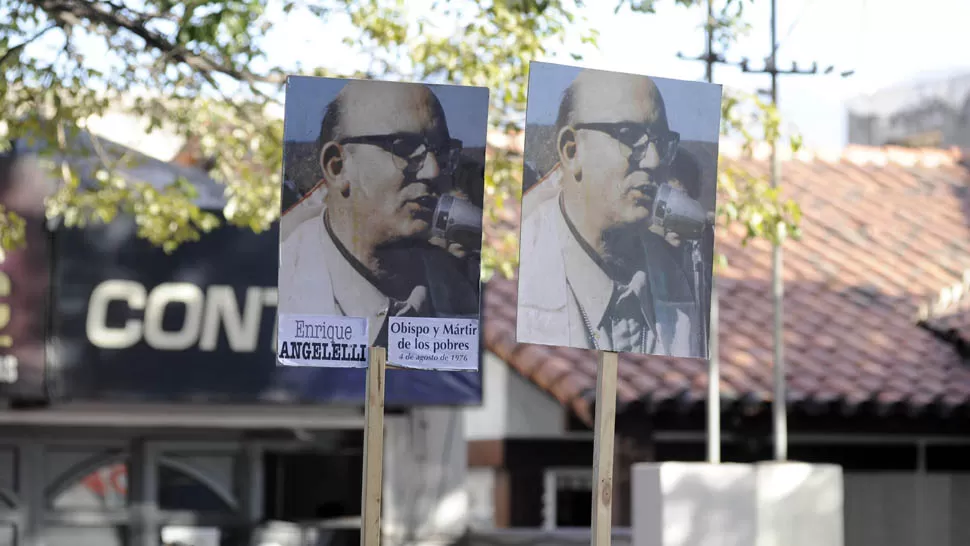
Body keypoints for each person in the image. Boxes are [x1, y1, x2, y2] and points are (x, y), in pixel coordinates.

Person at [517, 68, 708, 359]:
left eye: (661, 141)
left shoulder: (686, 280)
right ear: (572, 151)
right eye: (629, 135)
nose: (654, 160)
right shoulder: (519, 268)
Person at [278, 80, 481, 349]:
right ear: (337, 167)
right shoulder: (282, 293)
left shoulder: (463, 296)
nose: (433, 171)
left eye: (442, 152)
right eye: (405, 148)